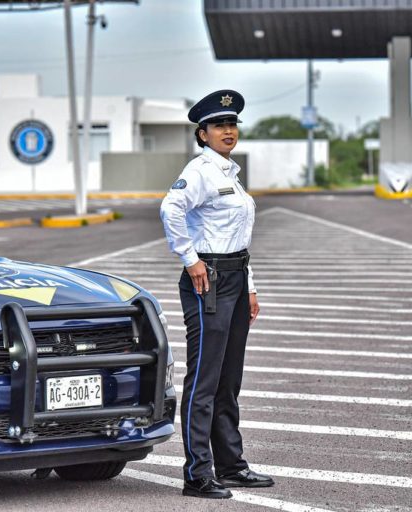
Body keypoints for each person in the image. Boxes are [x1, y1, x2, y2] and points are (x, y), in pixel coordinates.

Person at [160, 89, 274, 499]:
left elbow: (237, 238)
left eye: (232, 124)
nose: (229, 131)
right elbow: (170, 209)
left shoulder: (229, 173)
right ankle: (197, 473)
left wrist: (251, 286)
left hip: (235, 279)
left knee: (229, 380)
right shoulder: (200, 171)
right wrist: (189, 258)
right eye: (219, 126)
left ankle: (231, 466)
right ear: (202, 133)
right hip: (206, 281)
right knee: (204, 380)